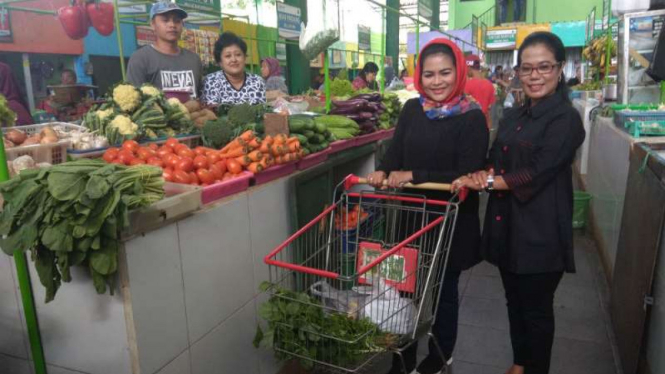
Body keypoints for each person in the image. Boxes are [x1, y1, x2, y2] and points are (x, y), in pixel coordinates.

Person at [454, 32, 585, 374]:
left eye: (544, 67)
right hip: (507, 225)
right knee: (514, 302)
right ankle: (519, 364)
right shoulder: (515, 116)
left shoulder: (566, 120)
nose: (535, 75)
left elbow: (539, 171)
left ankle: (535, 368)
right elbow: (496, 157)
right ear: (518, 72)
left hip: (540, 233)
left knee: (537, 311)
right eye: (527, 69)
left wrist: (491, 180)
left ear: (559, 69)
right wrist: (481, 172)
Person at [366, 38, 489, 374]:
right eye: (430, 74)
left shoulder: (472, 117)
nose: (437, 81)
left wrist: (414, 174)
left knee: (444, 290)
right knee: (405, 290)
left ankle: (440, 354)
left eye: (445, 73)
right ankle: (401, 356)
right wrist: (383, 170)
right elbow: (397, 150)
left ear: (459, 72)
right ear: (420, 75)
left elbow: (468, 170)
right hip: (412, 215)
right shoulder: (412, 109)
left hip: (452, 218)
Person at [126, 1, 203, 98]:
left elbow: (201, 97)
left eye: (177, 21)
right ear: (153, 24)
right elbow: (134, 101)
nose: (172, 25)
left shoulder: (194, 60)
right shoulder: (140, 59)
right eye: (165, 20)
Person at [201, 32, 266, 106]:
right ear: (220, 61)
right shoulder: (211, 81)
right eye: (228, 56)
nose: (234, 60)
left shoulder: (257, 82)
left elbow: (261, 112)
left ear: (244, 57)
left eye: (238, 55)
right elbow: (210, 112)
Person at [465, 54, 496, 128]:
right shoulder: (489, 84)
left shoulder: (467, 85)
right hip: (484, 124)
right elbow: (491, 109)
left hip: (470, 124)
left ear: (468, 68)